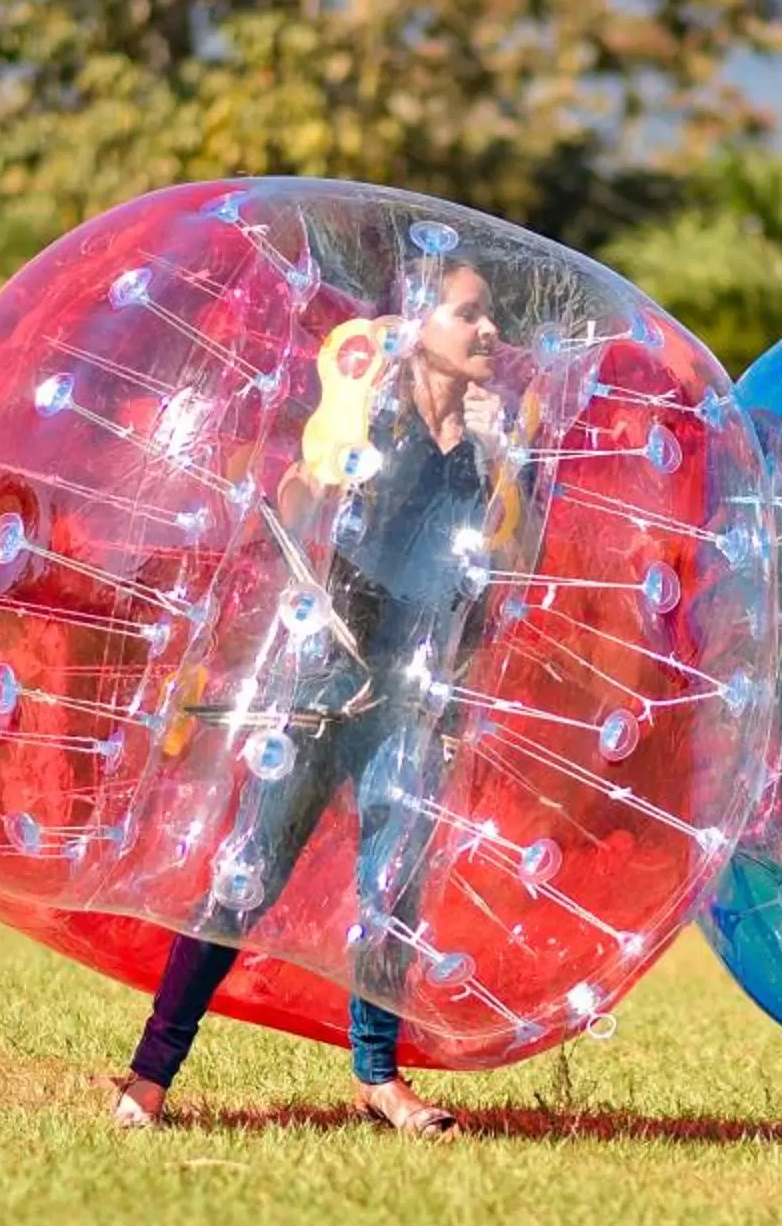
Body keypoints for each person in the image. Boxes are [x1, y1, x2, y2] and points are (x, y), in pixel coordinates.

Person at [112, 257, 517, 1138]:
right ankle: (149, 1075)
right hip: (324, 680)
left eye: (492, 317)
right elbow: (294, 507)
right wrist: (323, 478)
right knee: (242, 880)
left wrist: (499, 457)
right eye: (470, 314)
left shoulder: (486, 452)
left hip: (412, 693)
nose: (490, 331)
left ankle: (380, 1077)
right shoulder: (368, 413)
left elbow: (485, 577)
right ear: (420, 326)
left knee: (392, 891)